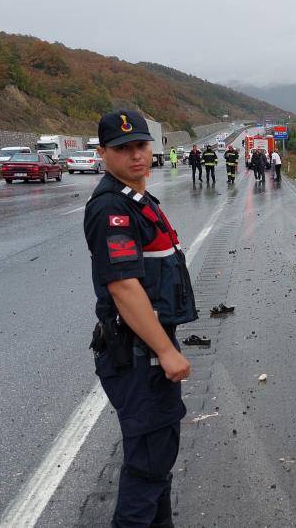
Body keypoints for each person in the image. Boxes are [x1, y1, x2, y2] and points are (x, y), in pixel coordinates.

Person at [84, 109, 196, 528]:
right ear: (103, 153)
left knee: (157, 460)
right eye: (123, 148)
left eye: (141, 146)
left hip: (148, 346)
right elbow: (124, 288)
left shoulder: (136, 198)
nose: (136, 156)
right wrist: (166, 352)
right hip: (139, 353)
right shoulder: (112, 207)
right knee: (147, 465)